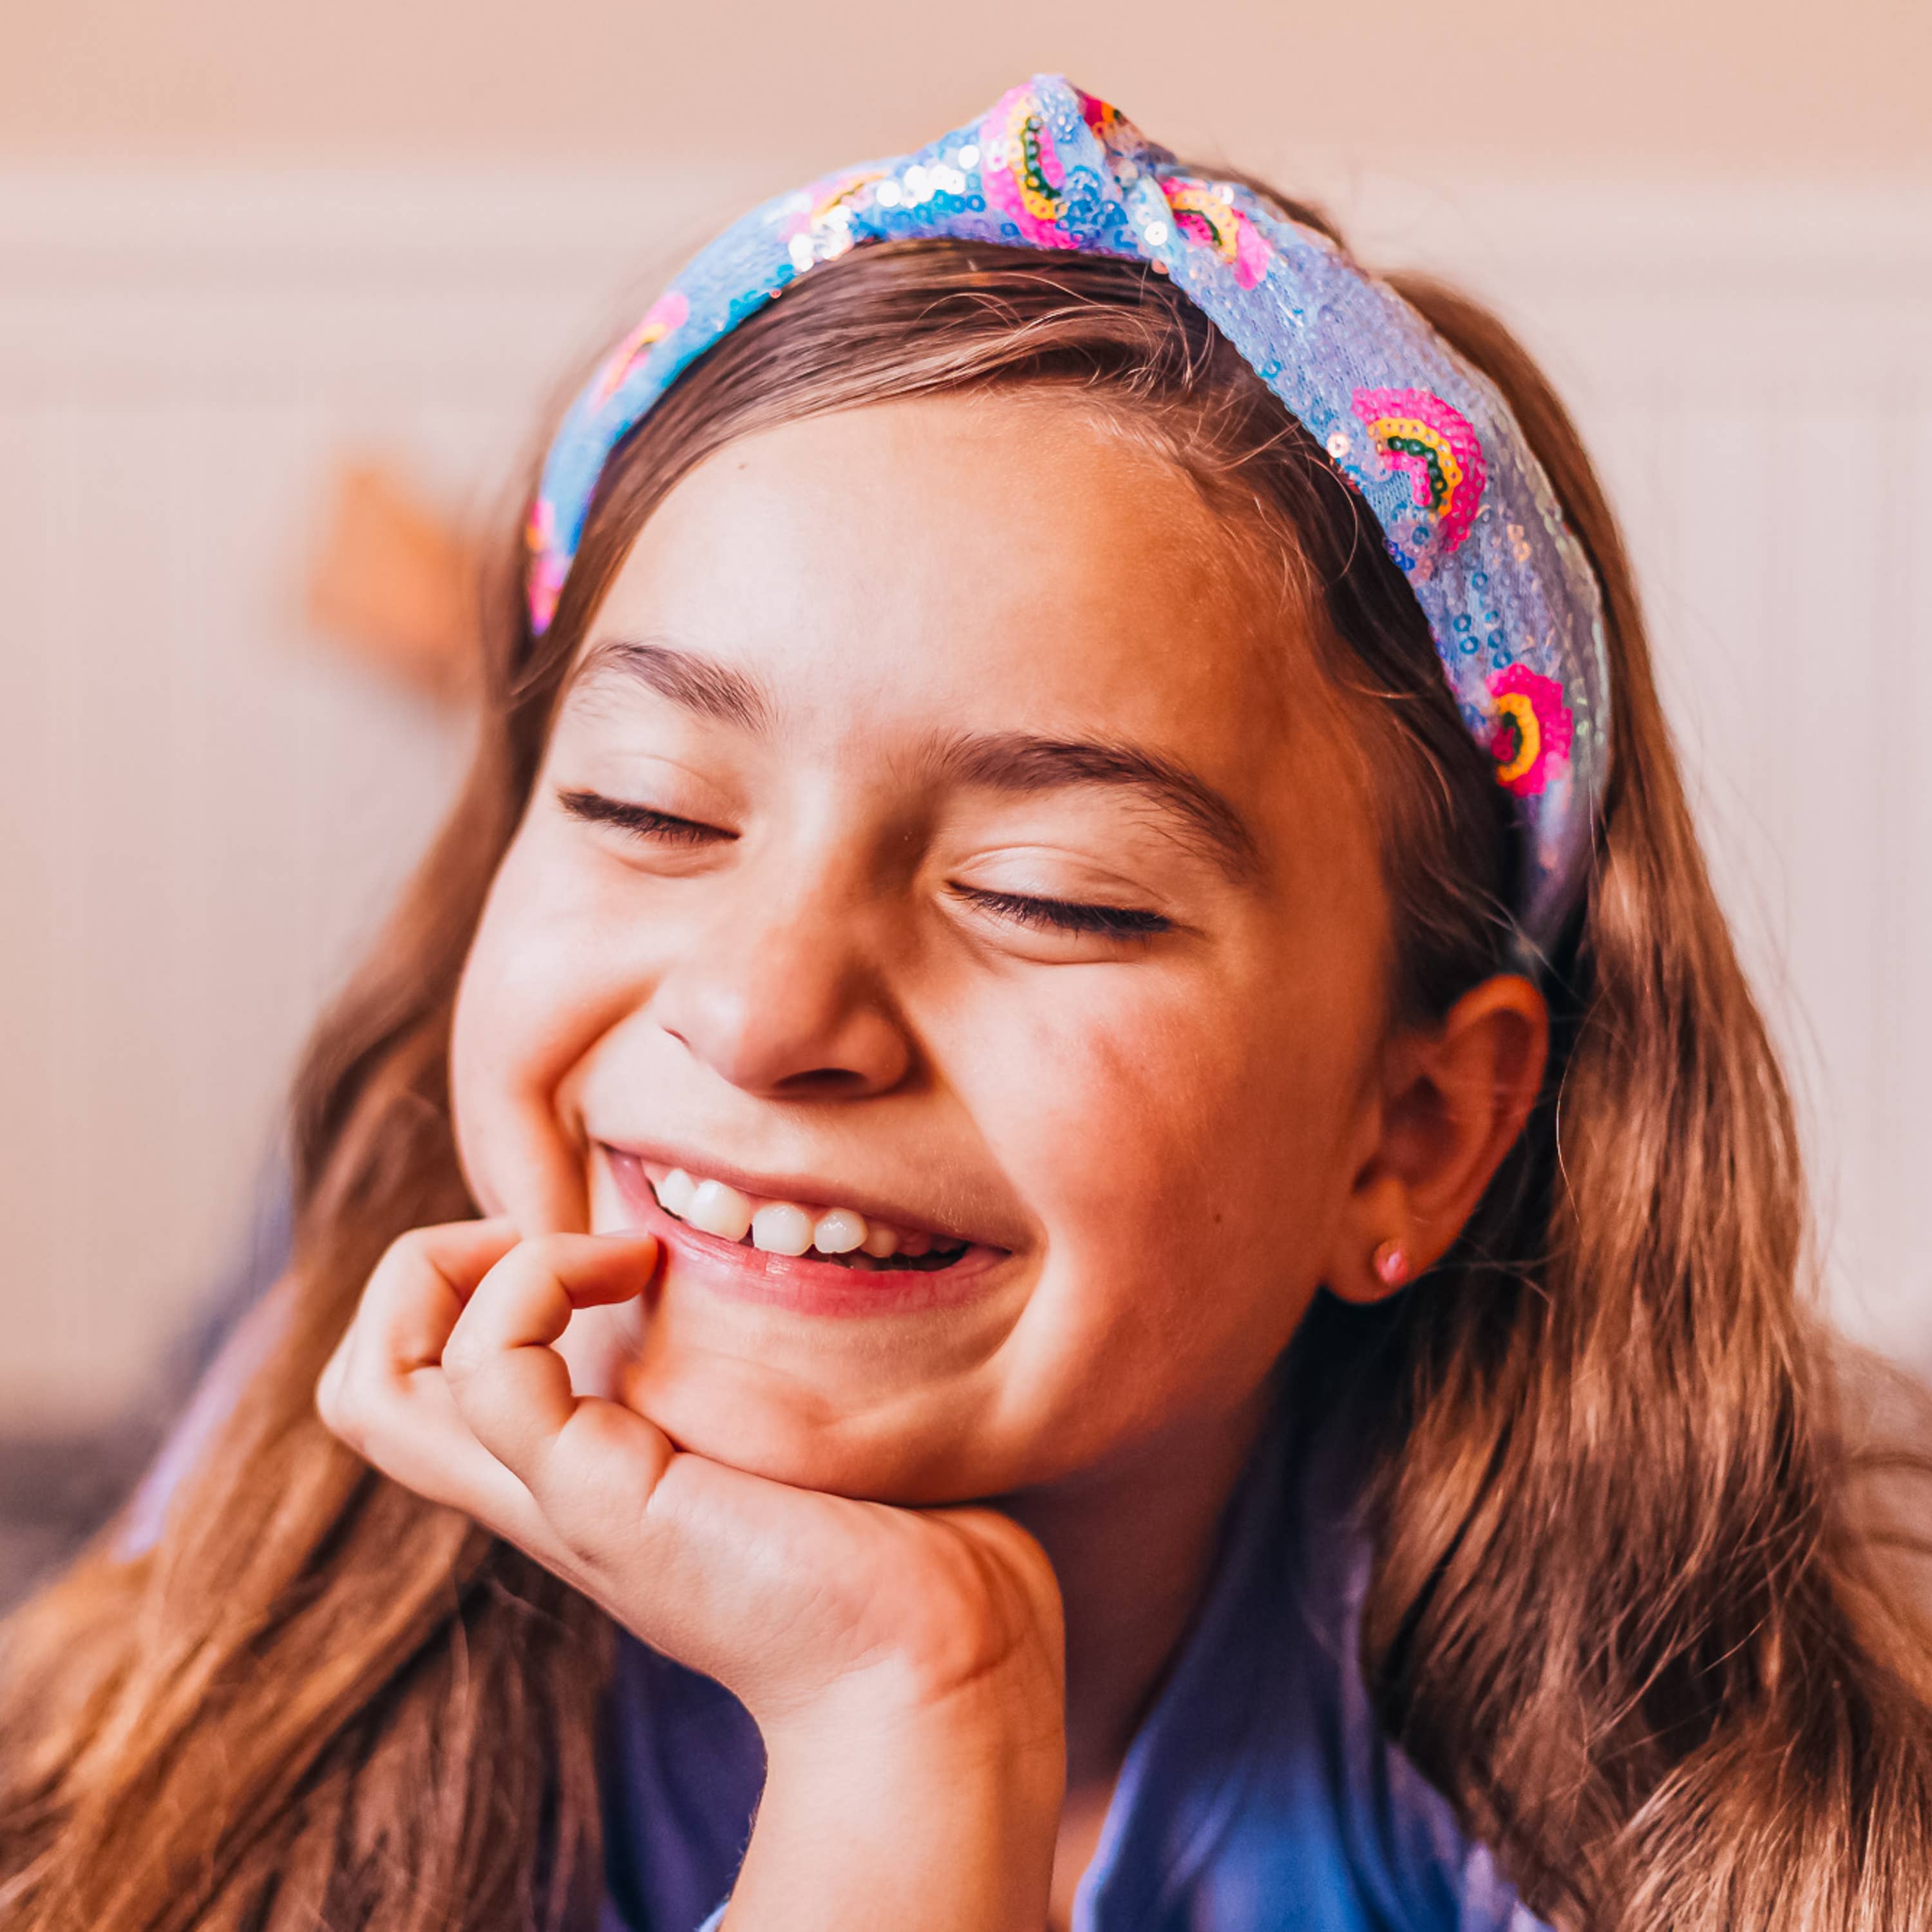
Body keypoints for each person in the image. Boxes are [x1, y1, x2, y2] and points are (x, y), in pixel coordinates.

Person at [3, 75, 1928, 1932]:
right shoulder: (299, 1608)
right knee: (337, 1200)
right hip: (548, 1201)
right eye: (642, 801)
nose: (766, 1011)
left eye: (1050, 895)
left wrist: (899, 1711)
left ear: (1411, 1130)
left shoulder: (1694, 1766)